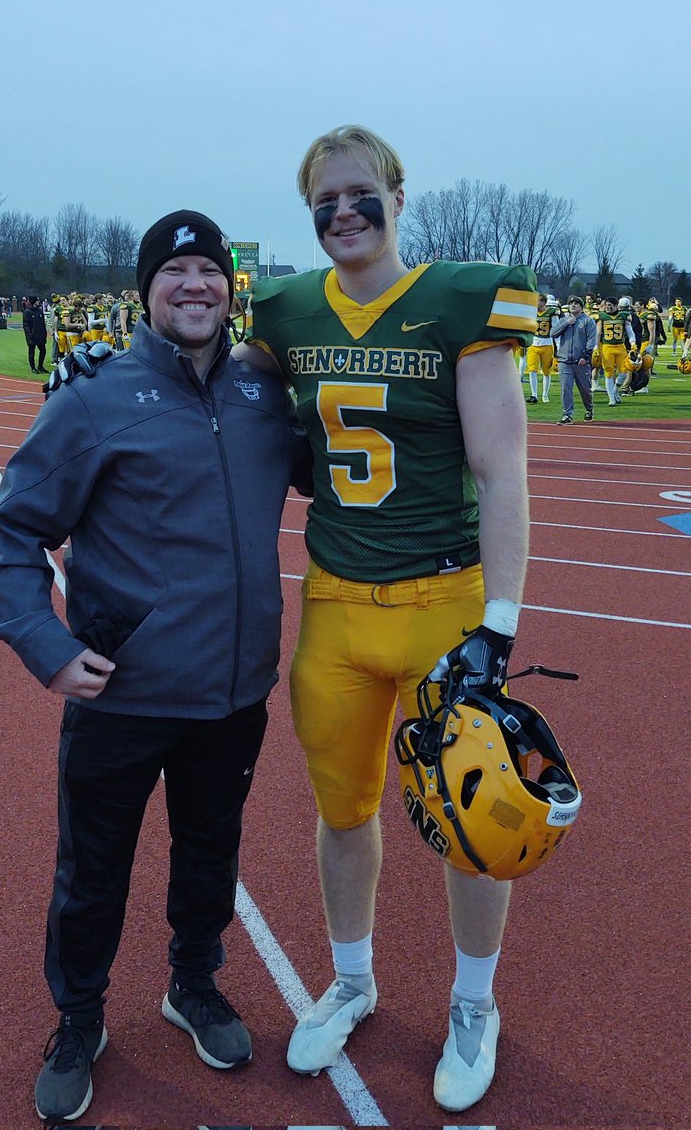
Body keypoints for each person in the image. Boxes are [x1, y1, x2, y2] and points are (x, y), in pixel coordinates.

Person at [0, 210, 311, 1124]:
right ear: (146, 292)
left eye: (209, 270)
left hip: (234, 693)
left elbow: (336, 469)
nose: (195, 284)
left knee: (210, 855)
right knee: (93, 870)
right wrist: (44, 649)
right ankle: (79, 1019)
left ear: (229, 289)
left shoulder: (259, 402)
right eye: (175, 273)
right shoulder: (91, 397)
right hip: (121, 696)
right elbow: (12, 533)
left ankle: (192, 985)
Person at [235, 125, 537, 1113]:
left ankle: (474, 1004)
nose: (344, 213)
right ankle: (355, 981)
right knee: (342, 813)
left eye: (361, 193)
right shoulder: (280, 310)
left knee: (469, 818)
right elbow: (227, 415)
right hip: (333, 608)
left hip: (442, 605)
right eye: (325, 200)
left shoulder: (459, 301)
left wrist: (499, 622)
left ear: (399, 198)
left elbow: (500, 470)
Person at [551, 296, 597, 423]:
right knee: (566, 388)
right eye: (571, 303)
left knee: (585, 389)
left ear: (581, 307)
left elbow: (591, 340)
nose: (573, 305)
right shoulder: (563, 320)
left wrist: (585, 356)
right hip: (564, 360)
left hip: (581, 361)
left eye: (576, 304)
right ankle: (567, 414)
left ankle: (589, 409)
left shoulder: (588, 321)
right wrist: (566, 323)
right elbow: (552, 333)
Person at [23, 295, 48, 373]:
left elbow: (43, 323)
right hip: (32, 336)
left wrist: (44, 333)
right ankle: (33, 368)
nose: (39, 302)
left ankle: (40, 366)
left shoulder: (40, 311)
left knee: (43, 350)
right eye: (37, 300)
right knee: (31, 352)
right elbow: (26, 325)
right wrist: (30, 334)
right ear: (34, 301)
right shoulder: (27, 311)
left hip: (40, 335)